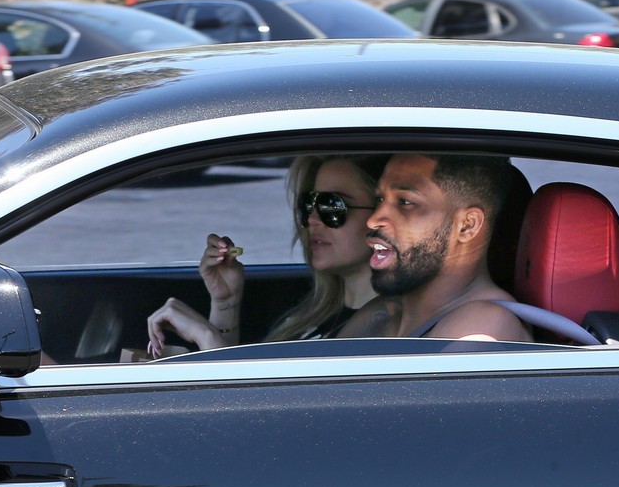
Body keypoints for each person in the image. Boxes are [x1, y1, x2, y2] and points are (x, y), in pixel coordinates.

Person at [143, 154, 389, 358]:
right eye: (308, 204)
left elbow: (258, 402)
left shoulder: (387, 333)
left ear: (382, 218)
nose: (313, 219)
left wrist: (207, 339)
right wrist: (225, 304)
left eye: (331, 206)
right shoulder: (315, 314)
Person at [340, 152, 532, 342]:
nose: (373, 220)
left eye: (405, 202)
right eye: (380, 199)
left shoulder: (485, 326)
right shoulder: (385, 311)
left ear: (466, 225)